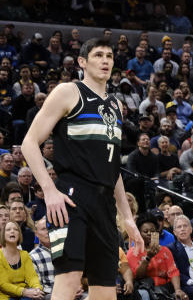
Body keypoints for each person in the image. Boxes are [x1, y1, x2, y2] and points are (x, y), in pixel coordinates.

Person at [21, 38, 144, 300]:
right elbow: (29, 143)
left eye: (110, 56)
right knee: (69, 279)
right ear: (82, 62)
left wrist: (128, 218)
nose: (105, 60)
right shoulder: (68, 92)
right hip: (72, 196)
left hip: (104, 203)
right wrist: (50, 190)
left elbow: (114, 170)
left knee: (105, 288)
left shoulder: (115, 106)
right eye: (98, 55)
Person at [0, 221, 42, 300]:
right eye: (8, 230)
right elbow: (2, 284)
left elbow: (32, 277)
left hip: (24, 295)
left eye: (16, 229)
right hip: (5, 296)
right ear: (3, 235)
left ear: (19, 234)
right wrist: (23, 291)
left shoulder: (24, 254)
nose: (12, 231)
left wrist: (37, 288)